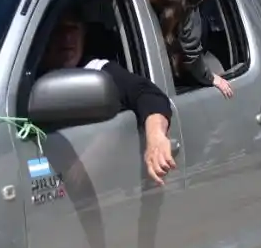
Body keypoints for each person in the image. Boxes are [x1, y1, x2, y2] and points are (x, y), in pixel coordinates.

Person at [37, 10, 176, 184]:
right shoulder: (21, 79)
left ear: (84, 33)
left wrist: (155, 137)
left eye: (73, 28)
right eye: (59, 29)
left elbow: (148, 94)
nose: (67, 37)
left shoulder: (96, 69)